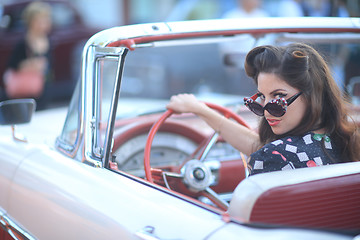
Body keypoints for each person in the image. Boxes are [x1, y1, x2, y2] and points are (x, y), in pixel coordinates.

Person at [166, 43, 360, 176]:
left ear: (311, 96)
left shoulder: (274, 157)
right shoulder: (341, 140)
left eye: (279, 97)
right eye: (261, 98)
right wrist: (200, 110)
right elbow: (259, 146)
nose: (267, 111)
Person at [5, 1, 52, 110]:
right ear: (31, 21)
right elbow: (12, 65)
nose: (43, 24)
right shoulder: (22, 43)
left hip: (43, 92)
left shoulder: (49, 40)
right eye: (39, 20)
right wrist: (28, 65)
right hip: (25, 94)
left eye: (45, 20)